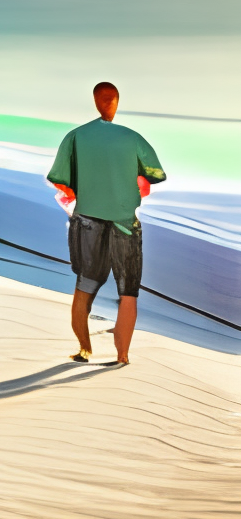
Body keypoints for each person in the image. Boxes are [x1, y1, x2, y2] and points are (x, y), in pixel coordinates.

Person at [47, 82, 165, 366]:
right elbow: (155, 174)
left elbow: (60, 180)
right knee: (128, 291)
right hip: (125, 222)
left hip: (87, 220)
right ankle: (122, 355)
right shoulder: (132, 138)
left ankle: (84, 349)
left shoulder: (75, 136)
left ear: (96, 101)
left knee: (85, 285)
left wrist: (85, 189)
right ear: (114, 101)